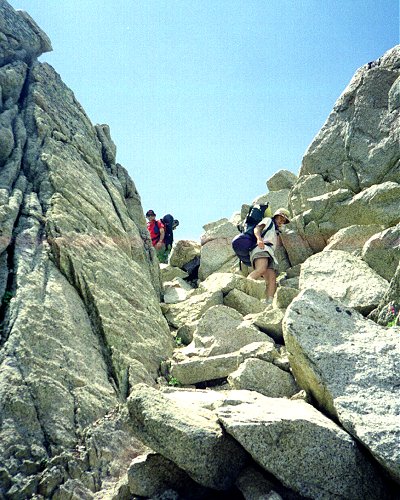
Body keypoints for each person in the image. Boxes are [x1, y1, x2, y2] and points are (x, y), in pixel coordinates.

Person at [248, 208, 291, 304]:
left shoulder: (276, 230)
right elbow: (257, 229)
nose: (281, 221)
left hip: (270, 252)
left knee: (272, 278)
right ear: (276, 216)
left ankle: (269, 302)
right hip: (261, 247)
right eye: (280, 218)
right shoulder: (268, 220)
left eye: (283, 221)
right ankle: (246, 284)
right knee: (261, 269)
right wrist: (259, 239)